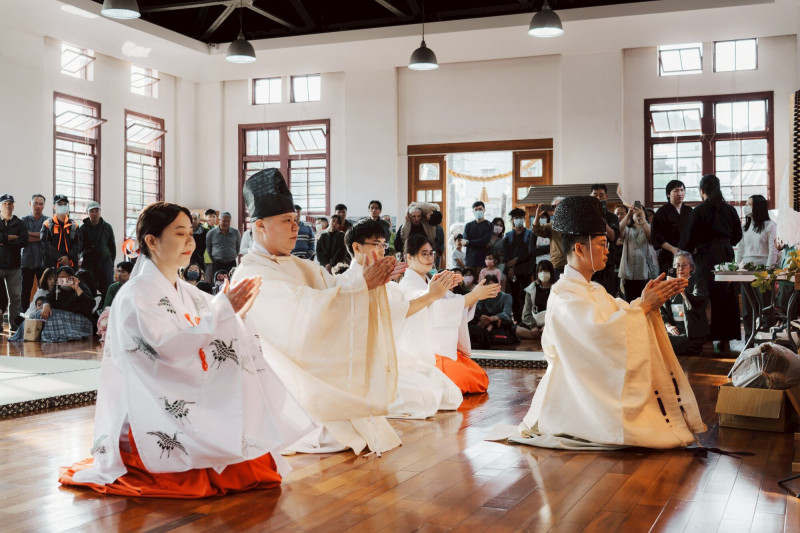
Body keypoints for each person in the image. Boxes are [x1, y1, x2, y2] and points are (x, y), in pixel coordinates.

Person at [59, 201, 315, 498]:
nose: (190, 242)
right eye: (180, 233)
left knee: (251, 455)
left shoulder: (190, 292)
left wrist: (233, 316)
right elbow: (164, 349)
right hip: (150, 400)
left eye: (191, 233)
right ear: (152, 241)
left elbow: (209, 325)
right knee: (235, 460)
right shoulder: (135, 294)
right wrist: (223, 312)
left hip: (182, 388)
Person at [506, 195, 705, 450]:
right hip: (575, 394)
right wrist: (644, 306)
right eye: (602, 244)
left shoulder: (593, 289)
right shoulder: (565, 296)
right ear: (580, 249)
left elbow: (618, 315)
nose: (608, 250)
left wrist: (644, 301)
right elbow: (601, 333)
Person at [233, 168, 404, 455]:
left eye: (296, 220)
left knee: (354, 426)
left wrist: (368, 282)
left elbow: (336, 288)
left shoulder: (301, 265)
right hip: (282, 380)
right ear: (261, 226)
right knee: (330, 432)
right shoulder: (249, 274)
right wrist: (362, 285)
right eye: (287, 221)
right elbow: (298, 317)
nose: (295, 228)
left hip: (310, 376)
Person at [343, 219, 462, 419]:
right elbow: (393, 314)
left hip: (392, 356)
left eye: (384, 245)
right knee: (422, 400)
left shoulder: (388, 283)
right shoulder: (348, 282)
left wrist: (435, 289)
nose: (382, 250)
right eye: (376, 244)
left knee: (450, 394)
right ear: (357, 247)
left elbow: (407, 304)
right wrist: (431, 295)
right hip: (364, 361)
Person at [399, 234, 497, 394]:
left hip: (439, 351)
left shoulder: (429, 280)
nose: (430, 258)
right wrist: (474, 295)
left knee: (479, 377)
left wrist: (473, 295)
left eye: (431, 253)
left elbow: (451, 301)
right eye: (424, 254)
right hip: (422, 354)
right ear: (409, 257)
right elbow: (438, 308)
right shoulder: (407, 285)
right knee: (470, 381)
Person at [678, 174, 742, 351]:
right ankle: (726, 339)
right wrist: (725, 242)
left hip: (705, 258)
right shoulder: (730, 210)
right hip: (726, 256)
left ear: (701, 191)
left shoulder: (698, 211)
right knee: (727, 297)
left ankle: (707, 338)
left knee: (706, 297)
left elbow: (686, 242)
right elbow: (737, 236)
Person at [10, 265, 95, 343]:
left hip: (80, 321)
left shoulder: (80, 286)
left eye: (66, 277)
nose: (64, 279)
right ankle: (24, 334)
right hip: (62, 318)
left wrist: (77, 289)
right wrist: (46, 305)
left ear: (72, 277)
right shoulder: (58, 287)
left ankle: (51, 336)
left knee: (52, 315)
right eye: (61, 277)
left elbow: (90, 305)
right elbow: (48, 298)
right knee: (41, 313)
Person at [735, 194, 779, 340]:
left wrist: (768, 271)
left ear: (758, 207)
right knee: (747, 309)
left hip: (763, 272)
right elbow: (740, 249)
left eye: (749, 204)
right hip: (746, 270)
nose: (746, 207)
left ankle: (766, 340)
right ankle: (749, 339)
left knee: (765, 307)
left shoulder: (770, 225)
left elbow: (773, 249)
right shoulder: (745, 227)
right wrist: (737, 268)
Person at [661, 252, 709, 355]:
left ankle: (694, 348)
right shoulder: (668, 284)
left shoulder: (697, 283)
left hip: (692, 332)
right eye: (677, 265)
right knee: (657, 339)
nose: (680, 268)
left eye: (684, 265)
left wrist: (682, 290)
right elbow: (662, 310)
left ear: (691, 267)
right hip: (674, 330)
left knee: (669, 344)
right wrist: (668, 326)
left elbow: (698, 303)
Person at [617, 203, 657, 302]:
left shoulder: (650, 227)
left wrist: (642, 219)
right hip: (628, 272)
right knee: (629, 303)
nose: (638, 214)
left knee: (644, 302)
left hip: (645, 273)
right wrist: (628, 214)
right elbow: (618, 231)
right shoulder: (627, 229)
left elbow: (651, 237)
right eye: (636, 213)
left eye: (640, 212)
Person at [652, 180, 693, 275]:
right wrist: (672, 249)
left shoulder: (689, 211)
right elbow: (656, 235)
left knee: (686, 280)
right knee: (670, 280)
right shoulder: (662, 212)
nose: (680, 193)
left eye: (682, 190)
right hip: (668, 254)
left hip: (686, 254)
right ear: (668, 194)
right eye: (676, 191)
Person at [0, 194, 28, 330]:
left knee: (15, 297)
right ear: (0, 206)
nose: (8, 206)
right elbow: (17, 239)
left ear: (14, 206)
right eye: (5, 203)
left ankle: (14, 324)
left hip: (14, 266)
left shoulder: (19, 223)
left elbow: (24, 241)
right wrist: (10, 237)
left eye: (10, 203)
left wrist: (4, 242)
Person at [79, 201, 116, 302]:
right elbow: (79, 247)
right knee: (89, 287)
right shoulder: (83, 229)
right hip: (89, 263)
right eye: (92, 211)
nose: (94, 213)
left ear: (100, 212)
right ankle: (91, 308)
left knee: (107, 287)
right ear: (87, 213)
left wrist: (111, 262)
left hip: (105, 262)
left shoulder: (107, 227)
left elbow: (112, 246)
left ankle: (105, 308)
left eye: (97, 211)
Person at [504, 208, 536, 323]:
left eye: (521, 218)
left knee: (526, 295)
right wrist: (510, 268)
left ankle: (527, 319)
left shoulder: (529, 234)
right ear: (512, 220)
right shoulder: (508, 235)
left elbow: (529, 252)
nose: (519, 220)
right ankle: (517, 320)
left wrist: (516, 260)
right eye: (516, 218)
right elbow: (506, 253)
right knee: (514, 295)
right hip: (512, 272)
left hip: (525, 269)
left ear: (524, 219)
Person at [589, 184, 620, 296]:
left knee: (608, 295)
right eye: (595, 195)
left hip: (607, 263)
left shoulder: (612, 217)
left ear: (606, 197)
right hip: (589, 263)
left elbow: (613, 236)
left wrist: (601, 219)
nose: (598, 198)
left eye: (601, 195)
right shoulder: (585, 216)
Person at [469, 274, 514, 348]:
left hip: (501, 323)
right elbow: (478, 312)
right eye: (488, 287)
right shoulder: (482, 297)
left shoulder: (506, 297)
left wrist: (492, 319)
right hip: (485, 324)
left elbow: (506, 314)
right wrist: (484, 319)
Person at [20, 194, 47, 313]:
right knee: (25, 290)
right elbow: (23, 238)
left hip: (43, 260)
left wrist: (30, 233)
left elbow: (47, 237)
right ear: (30, 204)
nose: (38, 206)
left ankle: (42, 313)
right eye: (36, 203)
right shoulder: (23, 220)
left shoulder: (47, 220)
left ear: (43, 206)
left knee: (44, 289)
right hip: (27, 260)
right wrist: (41, 236)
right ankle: (23, 314)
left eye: (41, 204)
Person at [40, 194, 81, 269]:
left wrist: (68, 257)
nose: (63, 206)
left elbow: (78, 244)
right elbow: (45, 244)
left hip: (70, 265)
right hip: (52, 266)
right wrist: (59, 257)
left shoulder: (74, 225)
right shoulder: (47, 224)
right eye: (60, 204)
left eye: (65, 204)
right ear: (54, 206)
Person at [518, 260, 556, 339]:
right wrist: (533, 326)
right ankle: (542, 336)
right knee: (516, 329)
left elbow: (559, 311)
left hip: (550, 323)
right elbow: (526, 312)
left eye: (546, 271)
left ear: (551, 273)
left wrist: (547, 325)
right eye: (541, 271)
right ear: (537, 273)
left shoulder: (556, 288)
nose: (543, 273)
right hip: (534, 323)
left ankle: (541, 336)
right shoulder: (531, 289)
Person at [532, 200, 566, 280]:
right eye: (554, 207)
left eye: (559, 206)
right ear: (553, 212)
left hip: (573, 265)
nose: (557, 209)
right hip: (557, 265)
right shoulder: (552, 226)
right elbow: (536, 230)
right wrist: (537, 217)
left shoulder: (573, 224)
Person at [463, 201, 494, 268]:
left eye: (480, 209)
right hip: (470, 261)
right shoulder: (468, 225)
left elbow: (485, 241)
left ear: (484, 210)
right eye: (476, 209)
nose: (478, 211)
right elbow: (465, 242)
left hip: (483, 262)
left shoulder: (489, 225)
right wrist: (479, 243)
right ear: (473, 211)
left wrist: (469, 242)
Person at [202, 208, 217, 280]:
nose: (212, 219)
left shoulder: (218, 229)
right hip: (205, 258)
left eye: (213, 217)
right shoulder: (201, 229)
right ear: (205, 218)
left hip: (216, 259)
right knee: (206, 280)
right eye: (209, 217)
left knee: (215, 280)